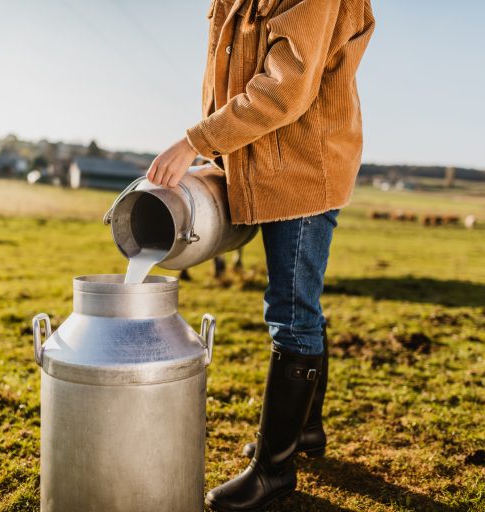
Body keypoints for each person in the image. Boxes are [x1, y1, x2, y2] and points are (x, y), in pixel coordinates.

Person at [147, 0, 374, 510]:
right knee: (301, 304)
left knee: (292, 313)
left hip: (300, 169)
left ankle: (274, 471)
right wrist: (218, 153)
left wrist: (195, 141)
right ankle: (304, 433)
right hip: (261, 161)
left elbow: (284, 88)